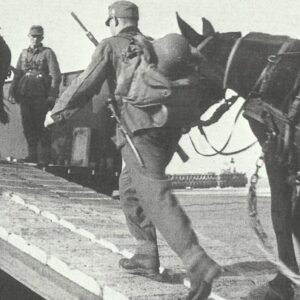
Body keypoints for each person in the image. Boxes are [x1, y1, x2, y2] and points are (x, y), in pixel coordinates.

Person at [44, 2, 222, 299]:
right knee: (128, 187)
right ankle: (146, 255)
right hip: (168, 130)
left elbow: (86, 83)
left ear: (114, 21)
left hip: (139, 132)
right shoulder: (152, 46)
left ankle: (198, 262)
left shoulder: (111, 45)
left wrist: (57, 112)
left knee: (153, 194)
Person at [9, 25, 61, 164]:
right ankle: (32, 155)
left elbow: (55, 76)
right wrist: (12, 91)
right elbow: (18, 74)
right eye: (32, 36)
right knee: (28, 126)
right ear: (28, 37)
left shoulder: (48, 53)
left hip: (41, 96)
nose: (35, 39)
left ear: (42, 38)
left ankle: (45, 157)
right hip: (25, 95)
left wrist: (52, 95)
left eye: (38, 36)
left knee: (42, 126)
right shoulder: (23, 53)